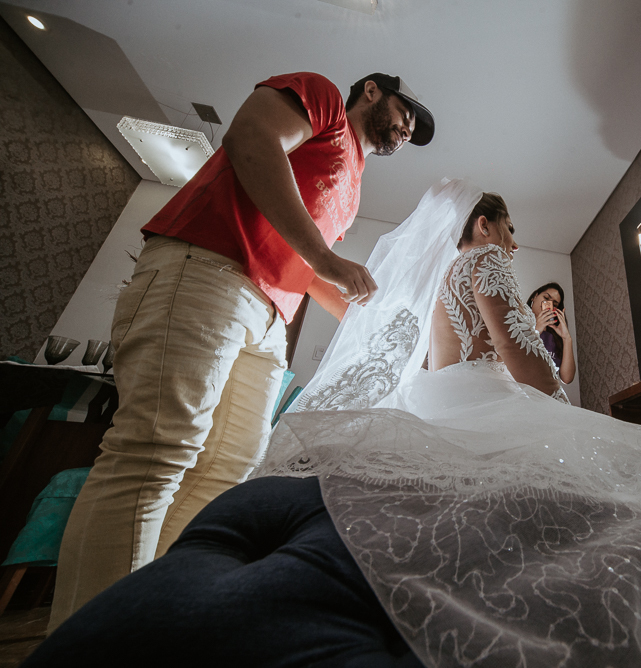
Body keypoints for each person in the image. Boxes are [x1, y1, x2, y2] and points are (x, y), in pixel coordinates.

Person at [31, 180, 641, 667]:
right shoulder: (489, 265)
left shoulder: (442, 286)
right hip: (503, 398)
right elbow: (531, 375)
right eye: (507, 227)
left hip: (440, 404)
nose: (510, 237)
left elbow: (452, 367)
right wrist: (549, 369)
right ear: (491, 228)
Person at [48, 71, 435, 631]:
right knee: (156, 450)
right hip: (209, 268)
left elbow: (305, 266)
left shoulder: (354, 181)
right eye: (406, 114)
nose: (406, 129)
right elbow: (250, 139)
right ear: (373, 90)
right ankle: (94, 640)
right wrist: (328, 262)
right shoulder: (322, 97)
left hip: (269, 317)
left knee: (230, 467)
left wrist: (370, 325)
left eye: (413, 130)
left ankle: (151, 618)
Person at [527, 283, 576, 383]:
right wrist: (537, 331)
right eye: (546, 298)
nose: (548, 305)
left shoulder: (555, 337)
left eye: (554, 304)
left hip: (547, 393)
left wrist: (566, 338)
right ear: (535, 297)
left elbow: (567, 378)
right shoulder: (519, 322)